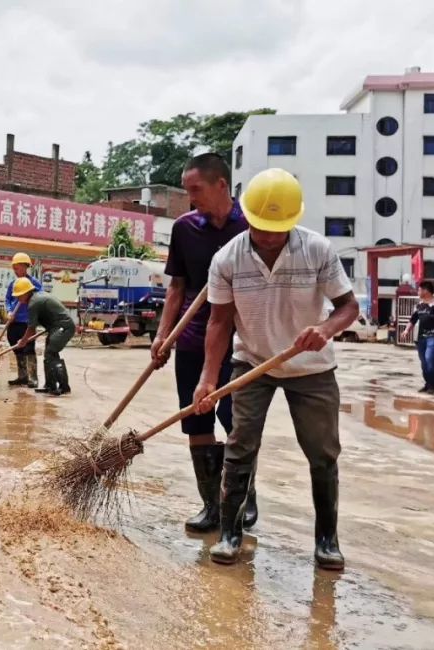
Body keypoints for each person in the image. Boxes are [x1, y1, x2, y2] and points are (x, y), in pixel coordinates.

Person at [193, 168, 358, 569]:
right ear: (247, 215)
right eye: (261, 226)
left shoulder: (317, 250)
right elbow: (219, 322)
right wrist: (208, 379)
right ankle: (231, 534)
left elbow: (348, 307)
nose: (268, 236)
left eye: (277, 228)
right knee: (239, 447)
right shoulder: (227, 258)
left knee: (322, 453)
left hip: (312, 368)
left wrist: (326, 328)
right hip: (252, 362)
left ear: (293, 220)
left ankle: (326, 541)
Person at [150, 153, 253, 534]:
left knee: (236, 421)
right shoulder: (184, 228)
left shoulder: (252, 226)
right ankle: (211, 505)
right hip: (192, 339)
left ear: (221, 185)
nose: (191, 199)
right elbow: (176, 286)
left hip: (241, 340)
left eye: (196, 190)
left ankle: (242, 495)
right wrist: (162, 335)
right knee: (197, 420)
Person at [11, 278, 75, 396]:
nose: (18, 298)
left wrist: (23, 341)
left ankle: (63, 387)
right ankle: (50, 385)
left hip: (63, 326)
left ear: (26, 292)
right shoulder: (37, 297)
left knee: (51, 353)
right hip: (56, 327)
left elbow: (31, 328)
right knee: (49, 353)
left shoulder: (33, 303)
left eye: (19, 295)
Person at [403, 280, 434, 395]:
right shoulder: (419, 305)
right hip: (421, 338)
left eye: (419, 289)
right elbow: (412, 320)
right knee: (424, 363)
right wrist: (406, 330)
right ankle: (428, 384)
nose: (418, 291)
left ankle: (432, 386)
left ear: (426, 291)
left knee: (429, 358)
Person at [4, 253, 42, 388]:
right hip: (14, 321)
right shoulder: (13, 284)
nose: (16, 270)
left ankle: (33, 378)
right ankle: (22, 376)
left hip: (27, 322)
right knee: (16, 347)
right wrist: (9, 311)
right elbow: (8, 299)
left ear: (26, 267)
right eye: (14, 267)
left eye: (18, 267)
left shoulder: (35, 283)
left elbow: (39, 299)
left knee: (29, 348)